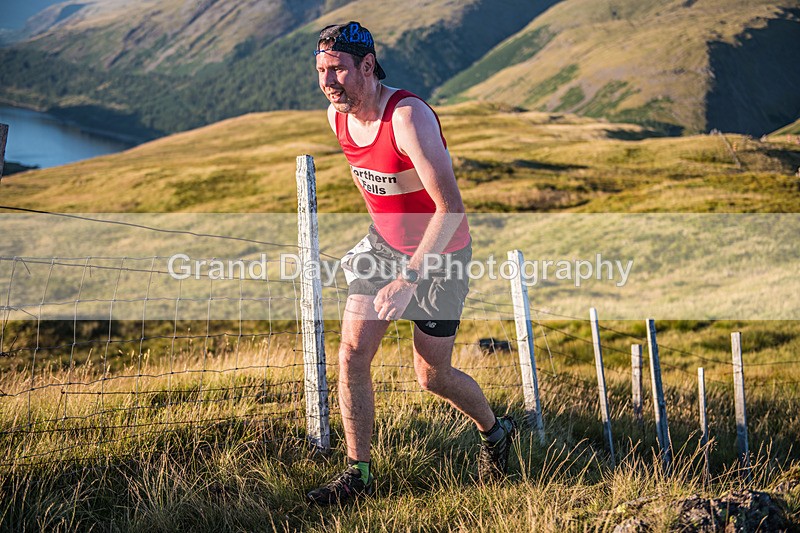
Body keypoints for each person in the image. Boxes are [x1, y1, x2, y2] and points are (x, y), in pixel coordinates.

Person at [307, 21, 516, 506]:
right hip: (384, 249)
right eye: (320, 70)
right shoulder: (336, 117)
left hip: (442, 255)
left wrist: (408, 276)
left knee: (432, 376)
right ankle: (357, 475)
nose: (328, 81)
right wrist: (376, 250)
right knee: (353, 351)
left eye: (337, 69)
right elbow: (380, 190)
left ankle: (496, 430)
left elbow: (450, 209)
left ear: (367, 65)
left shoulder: (407, 118)